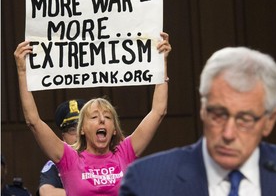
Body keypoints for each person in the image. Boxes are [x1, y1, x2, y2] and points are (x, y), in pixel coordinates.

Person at [14, 32, 171, 196]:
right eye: (94, 117)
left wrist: (162, 62)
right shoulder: (70, 158)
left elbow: (158, 112)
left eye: (108, 117)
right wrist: (22, 73)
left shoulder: (125, 152)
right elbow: (33, 121)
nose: (102, 120)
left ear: (114, 129)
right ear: (82, 129)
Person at [119, 47, 276, 196]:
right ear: (203, 109)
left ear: (269, 121)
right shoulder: (146, 182)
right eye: (218, 115)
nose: (228, 134)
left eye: (245, 119)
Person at [36, 99, 86, 196]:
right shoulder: (55, 164)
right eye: (72, 130)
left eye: (81, 128)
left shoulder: (106, 157)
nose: (78, 135)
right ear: (64, 137)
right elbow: (46, 192)